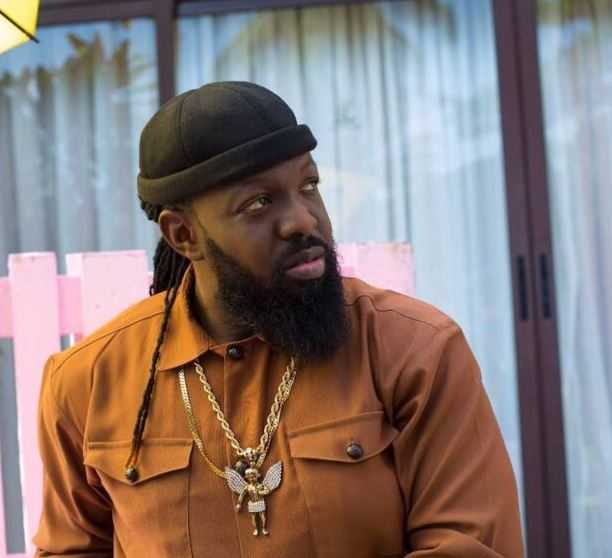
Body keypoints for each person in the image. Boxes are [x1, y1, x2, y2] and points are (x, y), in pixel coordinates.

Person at [34, 81, 524, 557]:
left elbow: (471, 545)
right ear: (183, 235)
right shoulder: (87, 380)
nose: (304, 220)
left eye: (309, 186)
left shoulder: (416, 351)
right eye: (259, 202)